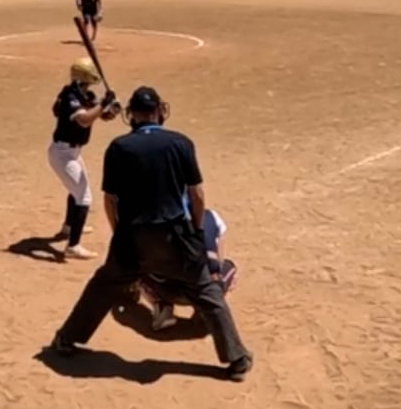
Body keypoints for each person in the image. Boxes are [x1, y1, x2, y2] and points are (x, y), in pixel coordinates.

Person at [44, 86, 254, 381]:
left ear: (132, 115)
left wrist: (119, 235)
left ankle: (67, 339)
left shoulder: (119, 147)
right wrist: (195, 231)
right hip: (176, 236)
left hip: (133, 237)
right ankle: (236, 358)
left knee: (103, 286)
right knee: (206, 291)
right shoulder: (180, 143)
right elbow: (196, 194)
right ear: (159, 111)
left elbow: (110, 200)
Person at [48, 57, 120, 260]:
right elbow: (84, 120)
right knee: (84, 197)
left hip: (72, 152)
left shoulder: (84, 95)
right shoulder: (70, 96)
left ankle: (69, 227)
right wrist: (103, 104)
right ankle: (73, 246)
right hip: (62, 153)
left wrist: (111, 109)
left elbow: (100, 115)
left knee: (77, 190)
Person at [140, 206, 237, 332]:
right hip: (205, 292)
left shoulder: (157, 221)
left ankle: (162, 306)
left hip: (169, 291)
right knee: (228, 268)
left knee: (141, 265)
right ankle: (205, 310)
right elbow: (218, 261)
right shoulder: (211, 217)